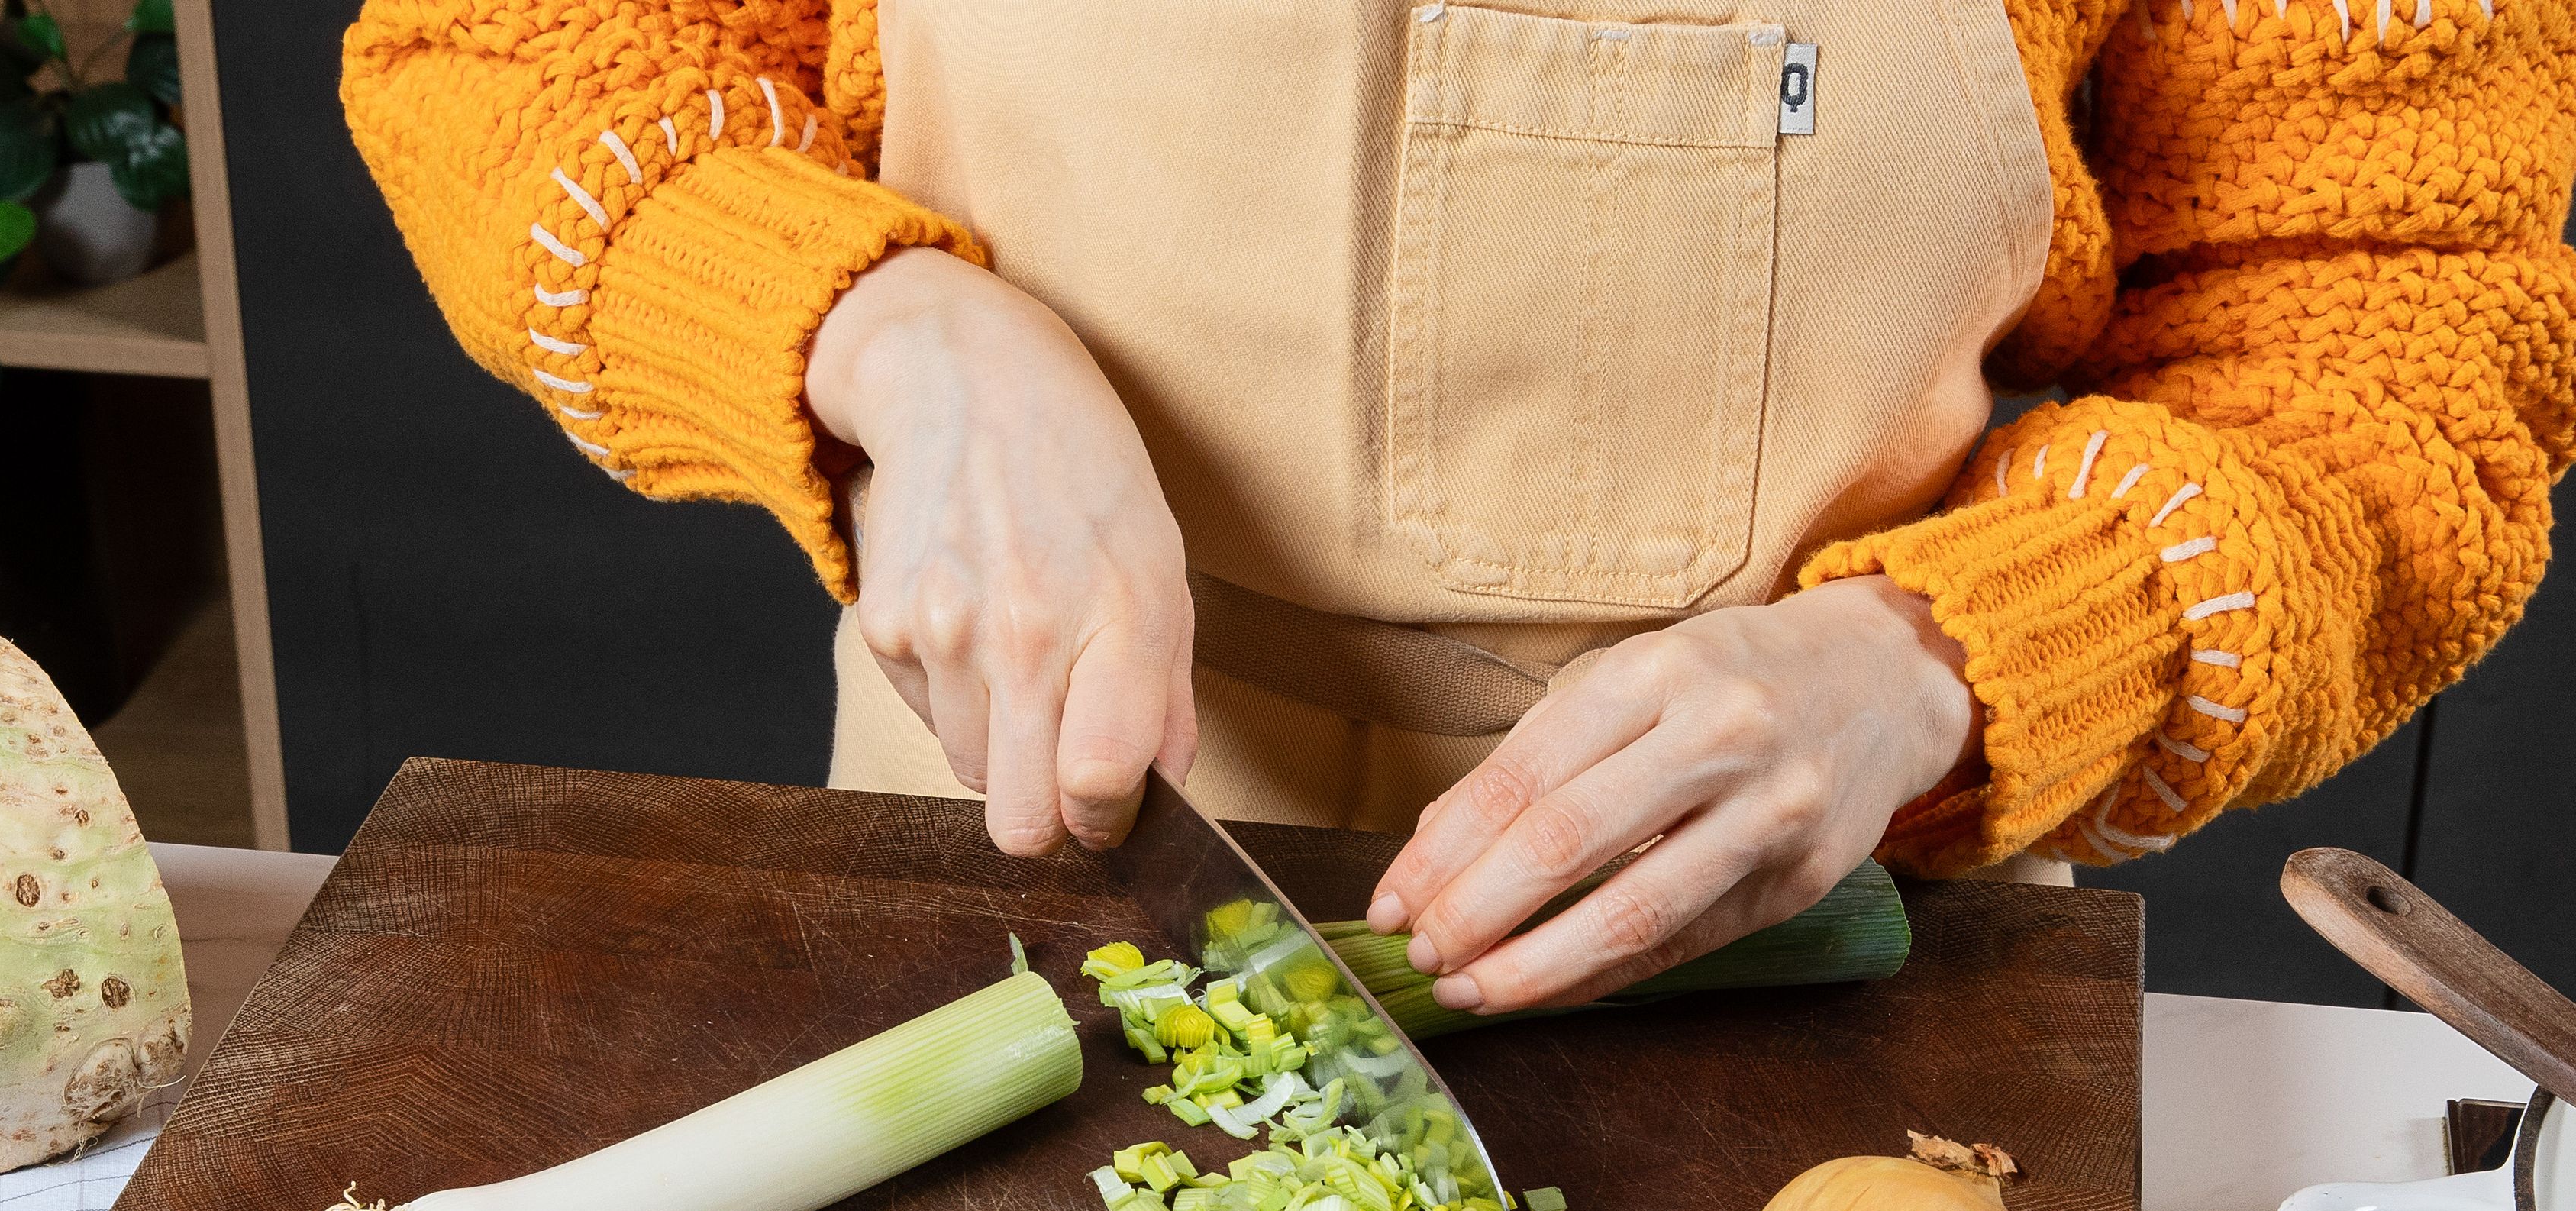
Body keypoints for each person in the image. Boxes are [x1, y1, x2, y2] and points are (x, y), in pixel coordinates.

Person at [340, 0, 2573, 1013]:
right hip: (997, 862)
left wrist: (1946, 657)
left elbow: (2398, 336)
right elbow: (509, 46)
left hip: (1842, 944)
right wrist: (891, 336)